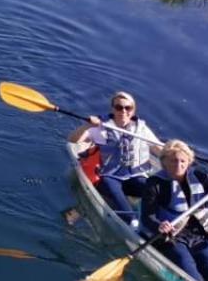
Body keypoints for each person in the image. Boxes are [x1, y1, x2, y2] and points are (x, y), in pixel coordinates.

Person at [139, 140, 208, 281]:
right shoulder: (155, 183)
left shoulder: (199, 177)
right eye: (173, 161)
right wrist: (159, 225)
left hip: (200, 231)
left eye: (182, 161)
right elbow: (147, 216)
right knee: (185, 261)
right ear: (164, 162)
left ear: (188, 162)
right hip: (172, 235)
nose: (178, 165)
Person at [68, 91, 163, 228]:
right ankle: (132, 222)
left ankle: (160, 220)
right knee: (116, 194)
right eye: (119, 107)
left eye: (127, 108)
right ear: (113, 109)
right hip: (110, 176)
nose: (123, 111)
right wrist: (87, 126)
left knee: (155, 192)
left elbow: (158, 149)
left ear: (133, 110)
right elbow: (73, 140)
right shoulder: (101, 127)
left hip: (134, 175)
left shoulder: (141, 129)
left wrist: (178, 152)